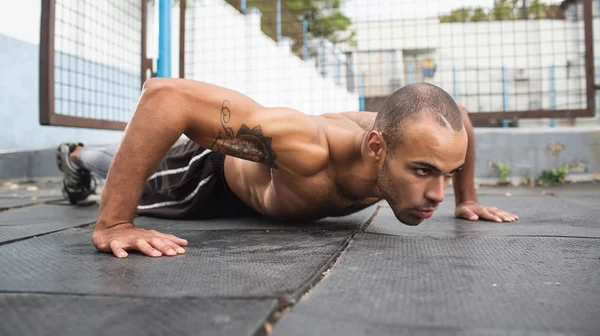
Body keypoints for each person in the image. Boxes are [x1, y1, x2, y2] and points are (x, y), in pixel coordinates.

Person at [56, 79, 518, 258]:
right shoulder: (308, 148)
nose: (438, 193)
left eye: (448, 174)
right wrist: (115, 222)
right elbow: (164, 96)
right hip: (209, 178)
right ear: (376, 147)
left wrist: (470, 197)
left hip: (271, 195)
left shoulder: (420, 139)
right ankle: (76, 156)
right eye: (423, 172)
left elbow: (459, 114)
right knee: (115, 167)